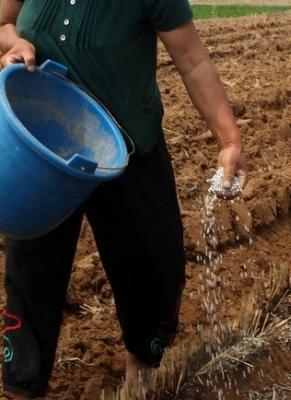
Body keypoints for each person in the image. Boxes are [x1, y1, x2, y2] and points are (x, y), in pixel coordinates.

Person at [0, 0, 248, 398]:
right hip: (42, 145)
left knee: (152, 264)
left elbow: (192, 61)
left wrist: (229, 139)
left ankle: (142, 370)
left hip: (128, 145)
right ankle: (23, 386)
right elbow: (3, 22)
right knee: (32, 272)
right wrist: (11, 44)